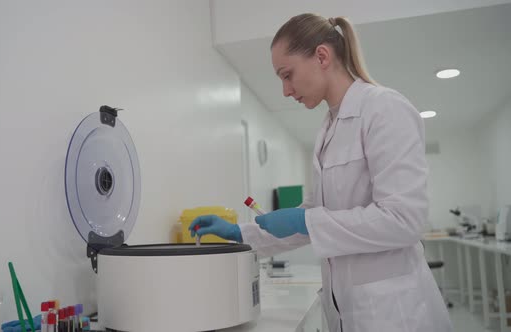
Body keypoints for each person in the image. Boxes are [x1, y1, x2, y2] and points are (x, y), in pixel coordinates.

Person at [189, 13, 453, 332]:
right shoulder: (328, 128)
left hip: (394, 314)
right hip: (345, 311)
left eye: (288, 75)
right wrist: (240, 234)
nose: (286, 90)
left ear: (322, 56)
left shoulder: (384, 108)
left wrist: (308, 220)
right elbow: (320, 218)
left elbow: (404, 220)